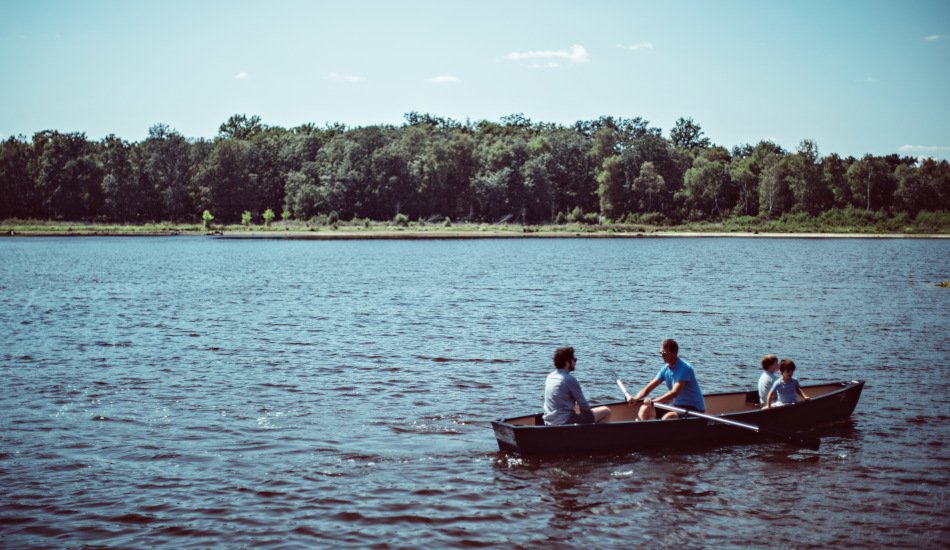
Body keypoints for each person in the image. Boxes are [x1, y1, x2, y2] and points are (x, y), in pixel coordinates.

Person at [628, 339, 706, 420]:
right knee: (645, 409)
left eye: (664, 353)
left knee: (668, 417)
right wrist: (635, 398)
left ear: (674, 353)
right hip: (677, 406)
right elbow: (648, 389)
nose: (662, 355)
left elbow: (674, 393)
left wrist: (654, 402)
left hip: (694, 409)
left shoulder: (685, 369)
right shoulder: (665, 369)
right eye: (661, 353)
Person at [542, 346, 611, 425]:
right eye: (574, 360)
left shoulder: (549, 377)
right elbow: (585, 407)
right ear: (567, 363)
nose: (575, 362)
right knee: (606, 411)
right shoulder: (568, 379)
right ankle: (596, 437)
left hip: (549, 422)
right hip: (565, 422)